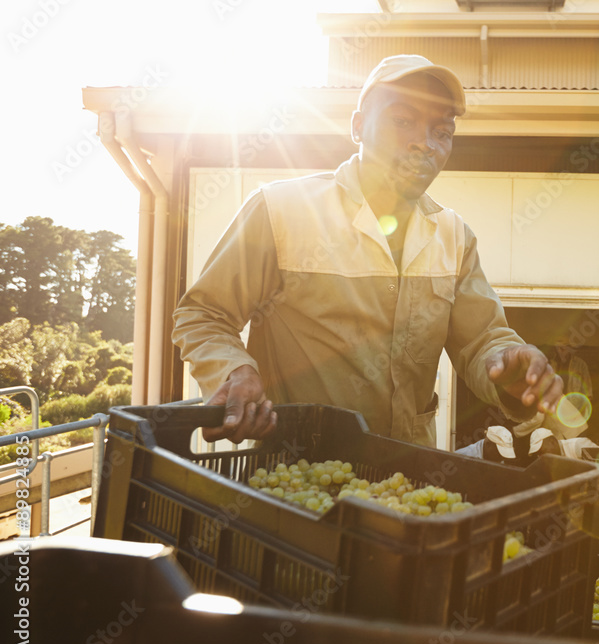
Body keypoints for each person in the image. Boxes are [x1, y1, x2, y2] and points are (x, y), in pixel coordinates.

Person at [172, 54, 563, 446]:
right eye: (402, 121)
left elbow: (483, 342)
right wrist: (235, 371)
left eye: (442, 131)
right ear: (358, 125)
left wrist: (508, 367)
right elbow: (204, 313)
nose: (424, 143)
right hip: (294, 485)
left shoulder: (454, 237)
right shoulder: (281, 212)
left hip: (409, 488)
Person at [549, 335, 593, 400]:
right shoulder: (550, 365)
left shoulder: (580, 365)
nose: (559, 351)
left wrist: (583, 407)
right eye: (557, 348)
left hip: (574, 405)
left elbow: (588, 392)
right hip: (554, 405)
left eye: (562, 348)